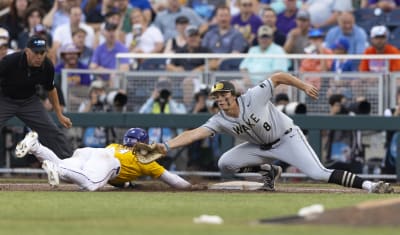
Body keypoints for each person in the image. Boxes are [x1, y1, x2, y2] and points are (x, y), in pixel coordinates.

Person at [150, 73, 394, 193]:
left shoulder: (253, 97)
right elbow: (194, 134)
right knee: (226, 163)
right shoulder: (219, 119)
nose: (221, 99)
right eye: (216, 97)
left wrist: (303, 85)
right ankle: (269, 172)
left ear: (233, 95)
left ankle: (371, 186)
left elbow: (277, 77)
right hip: (260, 148)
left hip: (287, 137)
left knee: (318, 173)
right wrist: (166, 146)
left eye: (224, 95)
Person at [15, 128, 192, 191]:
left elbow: (117, 181)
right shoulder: (144, 158)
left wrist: (127, 185)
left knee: (63, 167)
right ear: (144, 144)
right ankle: (56, 169)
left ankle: (36, 147)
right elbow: (173, 179)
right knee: (91, 185)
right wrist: (190, 188)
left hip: (92, 153)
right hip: (109, 162)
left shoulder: (116, 145)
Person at [0, 35, 73, 159]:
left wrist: (59, 115)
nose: (39, 56)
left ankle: (71, 165)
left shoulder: (47, 66)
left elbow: (51, 89)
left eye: (42, 52)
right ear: (27, 51)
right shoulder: (10, 61)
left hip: (29, 101)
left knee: (52, 131)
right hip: (5, 99)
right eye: (36, 52)